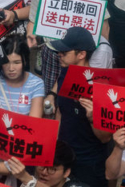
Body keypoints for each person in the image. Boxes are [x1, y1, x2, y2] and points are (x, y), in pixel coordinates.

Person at [46, 27, 113, 181]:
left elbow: (105, 138)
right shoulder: (65, 73)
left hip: (89, 165)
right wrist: (55, 145)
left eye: (64, 52)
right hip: (64, 158)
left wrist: (92, 117)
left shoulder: (101, 86)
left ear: (81, 54)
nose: (59, 54)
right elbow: (61, 111)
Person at [0, 37, 45, 117]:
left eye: (17, 63)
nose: (11, 68)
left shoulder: (36, 84)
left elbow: (34, 119)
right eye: (6, 62)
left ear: (25, 61)